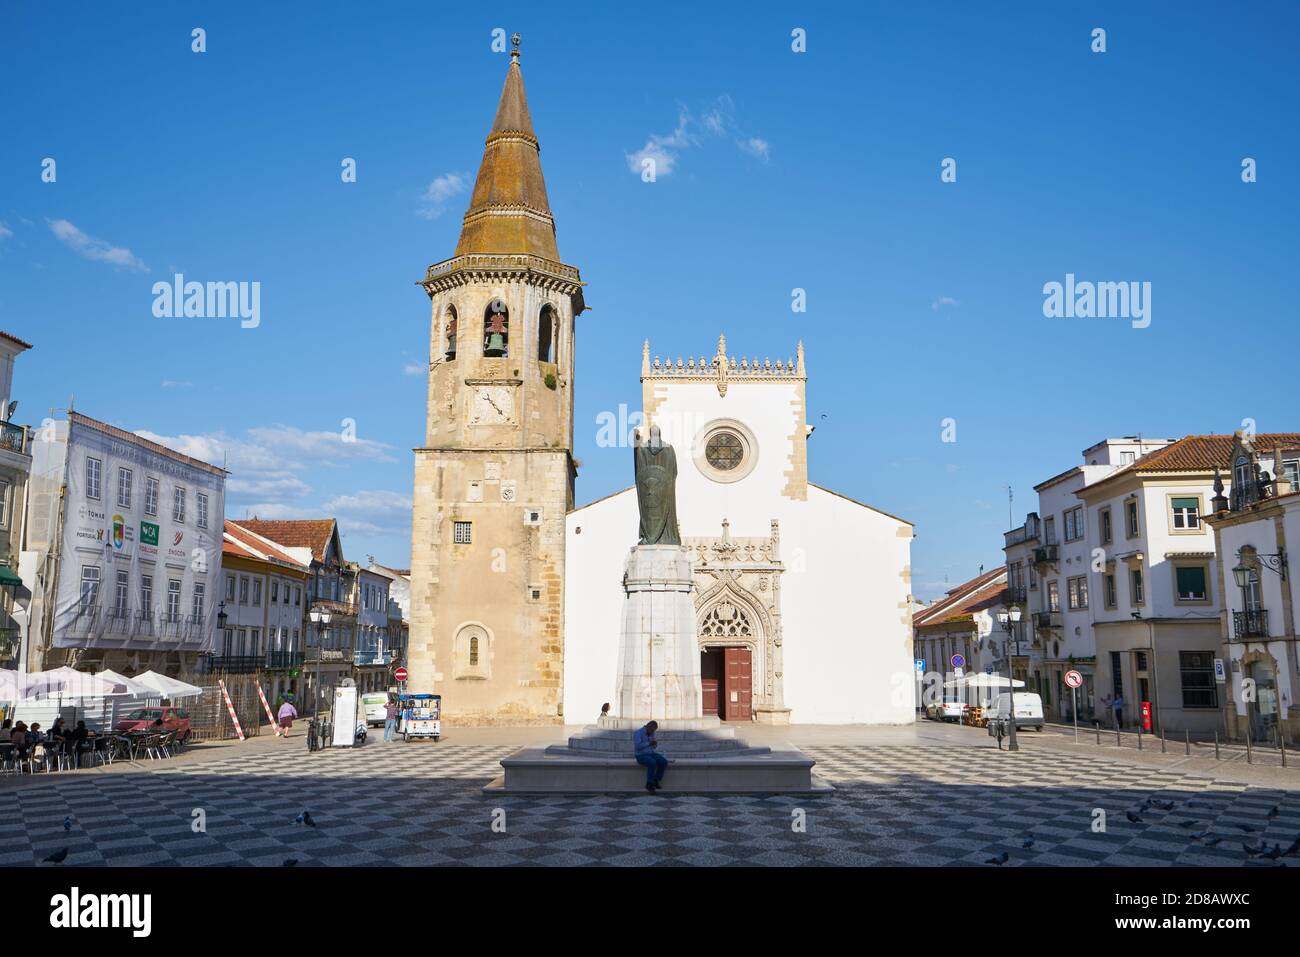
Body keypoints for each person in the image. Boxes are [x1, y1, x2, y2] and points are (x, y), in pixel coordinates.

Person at [633, 720, 669, 793]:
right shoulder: (638, 733)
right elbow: (638, 746)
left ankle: (656, 780)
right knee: (652, 763)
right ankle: (649, 784)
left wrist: (654, 744)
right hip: (641, 755)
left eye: (654, 731)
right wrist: (649, 743)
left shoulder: (651, 733)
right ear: (648, 726)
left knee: (663, 761)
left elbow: (653, 747)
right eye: (652, 730)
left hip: (651, 753)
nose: (653, 732)